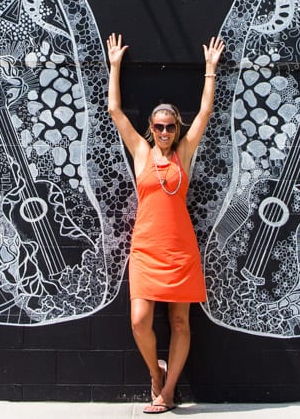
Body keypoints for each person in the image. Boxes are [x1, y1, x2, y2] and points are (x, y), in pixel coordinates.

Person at [106, 31, 225, 414]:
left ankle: (169, 391)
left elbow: (205, 113)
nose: (164, 132)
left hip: (180, 249)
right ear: (151, 129)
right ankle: (155, 377)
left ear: (177, 128)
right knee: (140, 320)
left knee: (179, 322)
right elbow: (115, 112)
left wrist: (209, 70)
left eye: (170, 126)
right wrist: (114, 66)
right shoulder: (141, 153)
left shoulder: (184, 154)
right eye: (158, 126)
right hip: (145, 248)